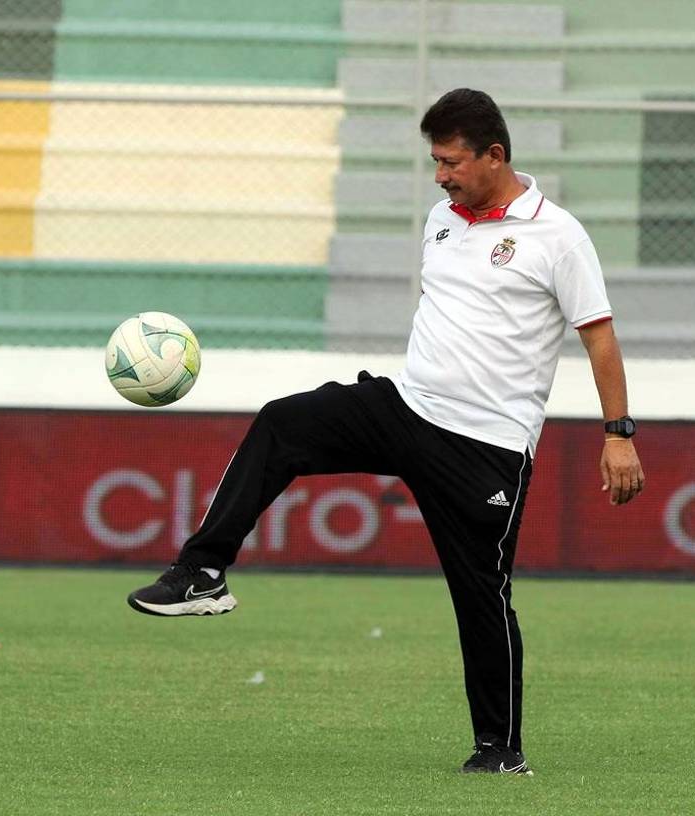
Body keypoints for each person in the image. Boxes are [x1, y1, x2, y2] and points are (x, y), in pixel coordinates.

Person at [128, 87, 645, 775]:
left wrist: (619, 433)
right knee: (282, 423)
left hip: (485, 446)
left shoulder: (559, 236)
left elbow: (600, 341)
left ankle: (500, 749)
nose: (441, 176)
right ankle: (201, 571)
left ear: (495, 155)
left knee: (481, 595)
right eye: (435, 161)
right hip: (407, 406)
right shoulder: (440, 219)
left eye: (452, 162)